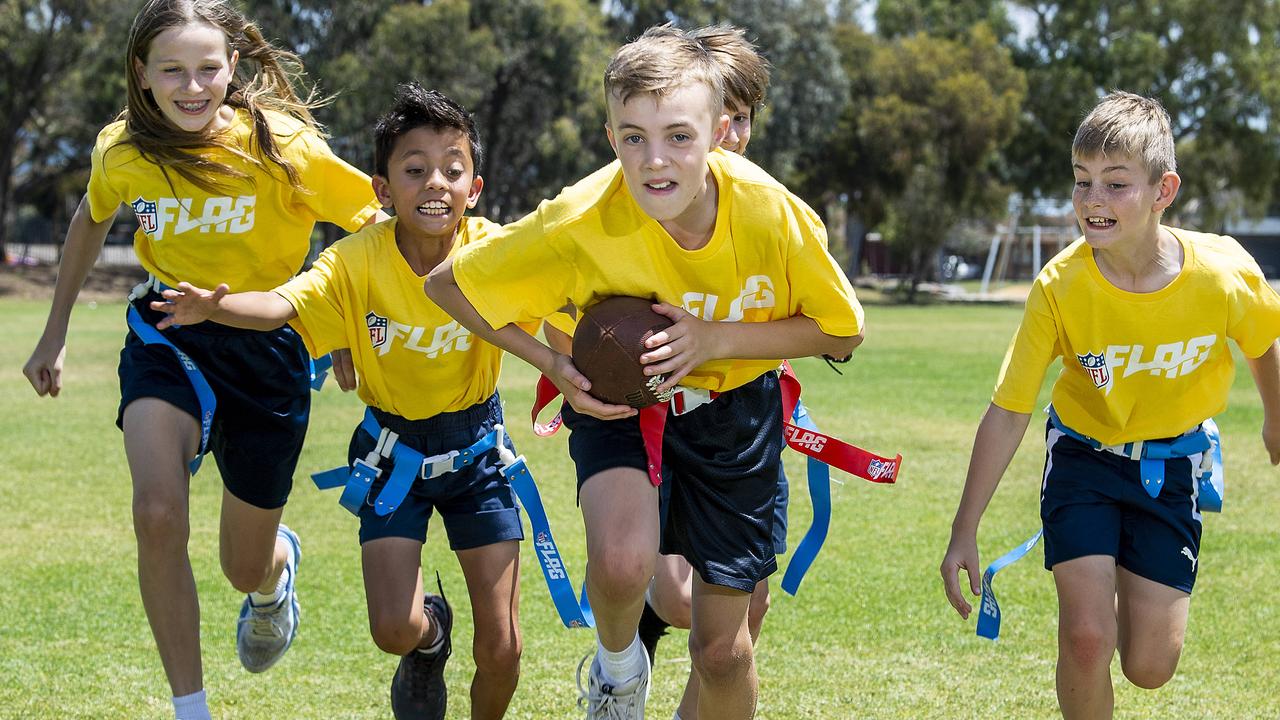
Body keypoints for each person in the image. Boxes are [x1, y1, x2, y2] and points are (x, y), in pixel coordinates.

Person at [427, 25, 863, 720]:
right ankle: (619, 669)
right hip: (618, 409)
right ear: (610, 137)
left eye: (679, 137)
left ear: (721, 131)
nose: (655, 161)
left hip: (735, 416)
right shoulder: (581, 216)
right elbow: (449, 285)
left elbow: (844, 328)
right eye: (633, 138)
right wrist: (553, 364)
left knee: (724, 650)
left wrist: (716, 338)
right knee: (623, 562)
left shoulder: (770, 211)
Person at [21, 2, 381, 718]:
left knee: (240, 565)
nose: (193, 87)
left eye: (208, 69)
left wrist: (350, 326)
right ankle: (192, 709)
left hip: (270, 346)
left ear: (233, 67)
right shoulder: (122, 152)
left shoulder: (282, 145)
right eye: (173, 70)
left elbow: (373, 220)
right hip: (167, 336)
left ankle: (274, 573)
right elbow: (92, 216)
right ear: (142, 75)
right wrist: (53, 330)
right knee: (156, 513)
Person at [150, 83, 525, 720]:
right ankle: (429, 640)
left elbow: (563, 290)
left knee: (504, 648)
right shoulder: (353, 261)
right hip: (392, 457)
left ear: (475, 187)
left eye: (452, 170)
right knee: (393, 631)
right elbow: (283, 305)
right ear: (381, 190)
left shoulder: (492, 250)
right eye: (414, 170)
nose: (435, 183)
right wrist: (221, 306)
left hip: (477, 459)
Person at [939, 91, 1280, 719]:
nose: (1094, 200)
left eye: (1116, 183)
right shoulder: (1060, 286)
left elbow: (1263, 342)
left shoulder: (1222, 272)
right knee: (1087, 638)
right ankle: (1094, 583)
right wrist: (966, 527)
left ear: (1163, 189)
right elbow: (1011, 407)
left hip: (1173, 463)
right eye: (1082, 181)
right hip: (1083, 457)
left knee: (1150, 666)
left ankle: (1130, 574)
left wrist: (1276, 420)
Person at [542, 23, 779, 720]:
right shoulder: (619, 205)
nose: (725, 135)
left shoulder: (763, 211)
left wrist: (729, 347)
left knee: (737, 622)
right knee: (662, 586)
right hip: (639, 413)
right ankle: (626, 653)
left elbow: (825, 321)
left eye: (737, 120)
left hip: (739, 409)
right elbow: (558, 308)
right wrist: (577, 366)